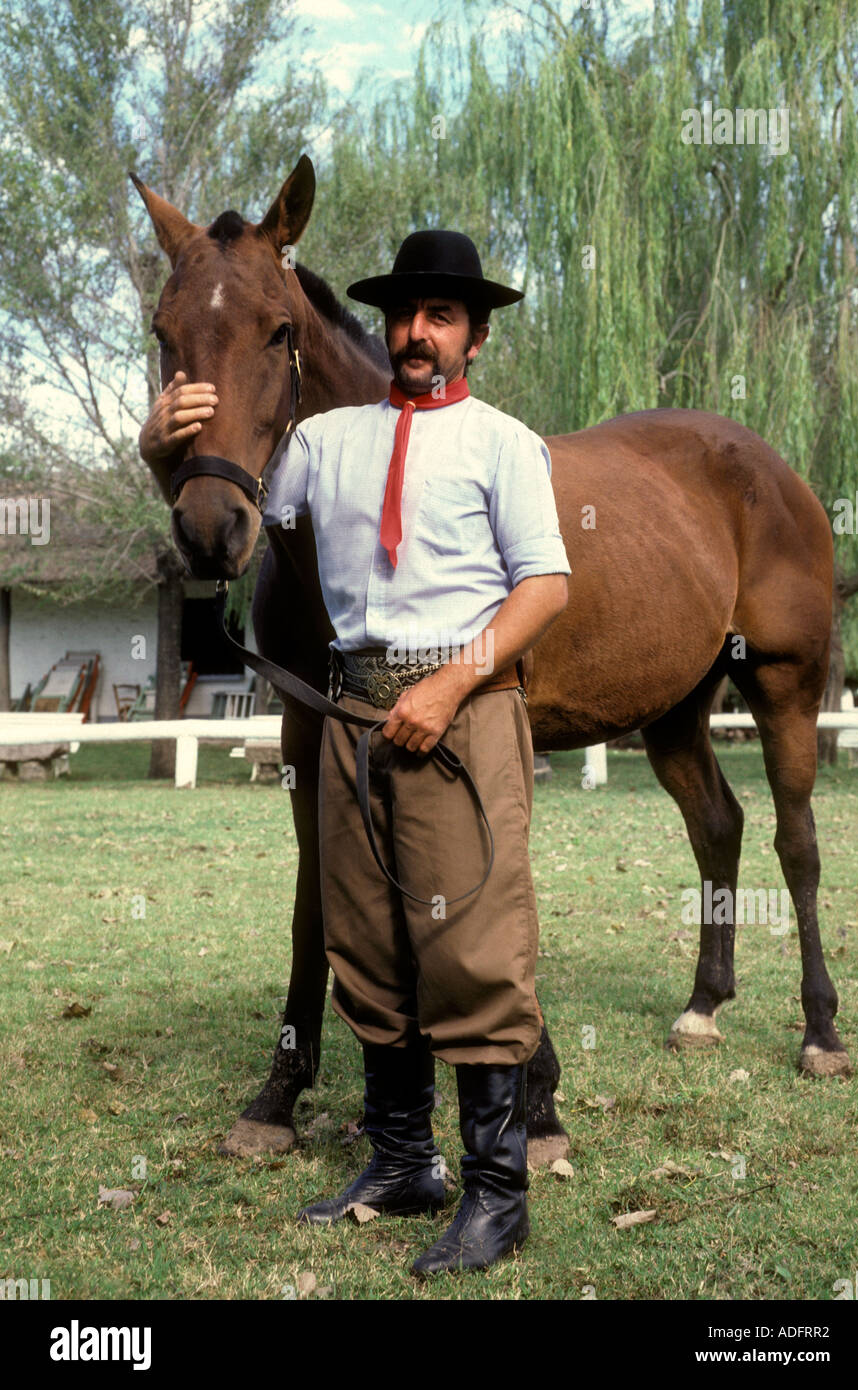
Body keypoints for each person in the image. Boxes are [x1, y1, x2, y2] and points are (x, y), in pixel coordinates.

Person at [142, 229, 571, 1278]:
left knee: (470, 949)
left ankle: (496, 1196)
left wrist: (453, 680)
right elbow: (227, 502)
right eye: (406, 314)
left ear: (473, 335)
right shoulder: (326, 446)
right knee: (369, 947)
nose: (417, 333)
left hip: (457, 715)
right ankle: (397, 1163)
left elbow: (546, 586)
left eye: (441, 316)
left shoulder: (504, 445)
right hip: (349, 719)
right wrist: (161, 447)